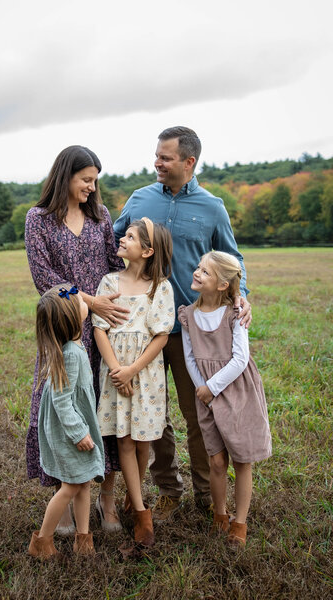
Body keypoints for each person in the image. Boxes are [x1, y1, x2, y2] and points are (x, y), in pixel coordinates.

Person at [113, 126, 252, 521]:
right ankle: (168, 490)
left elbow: (233, 259)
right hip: (142, 331)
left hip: (193, 332)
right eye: (156, 155)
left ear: (189, 162)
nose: (157, 162)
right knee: (151, 415)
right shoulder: (140, 198)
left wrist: (241, 297)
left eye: (166, 157)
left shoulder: (213, 207)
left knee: (198, 416)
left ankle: (207, 495)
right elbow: (114, 244)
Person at [25, 145, 128, 534]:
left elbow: (117, 263)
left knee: (104, 407)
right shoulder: (38, 220)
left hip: (103, 329)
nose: (91, 186)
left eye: (95, 180)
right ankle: (65, 497)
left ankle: (107, 498)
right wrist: (90, 301)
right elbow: (44, 278)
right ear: (65, 176)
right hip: (65, 324)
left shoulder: (100, 216)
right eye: (86, 179)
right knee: (60, 405)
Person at [178, 251, 271, 546]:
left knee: (242, 459)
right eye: (199, 268)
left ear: (221, 285)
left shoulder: (234, 313)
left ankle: (239, 522)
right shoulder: (188, 315)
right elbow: (190, 357)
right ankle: (220, 513)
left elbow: (240, 358)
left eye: (205, 271)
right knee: (216, 460)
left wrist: (213, 386)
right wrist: (202, 389)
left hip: (236, 391)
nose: (197, 272)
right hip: (205, 395)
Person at [93, 219, 175, 546]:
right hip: (115, 372)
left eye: (130, 237)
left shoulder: (160, 287)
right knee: (125, 439)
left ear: (147, 250)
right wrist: (117, 370)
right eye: (124, 234)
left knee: (143, 440)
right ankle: (142, 512)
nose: (122, 239)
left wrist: (133, 371)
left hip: (146, 374)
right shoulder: (109, 282)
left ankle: (133, 493)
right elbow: (100, 328)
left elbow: (161, 336)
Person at [28, 285, 105, 559]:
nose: (84, 299)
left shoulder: (73, 345)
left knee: (83, 482)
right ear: (73, 317)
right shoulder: (71, 353)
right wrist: (79, 432)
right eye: (78, 300)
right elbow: (62, 401)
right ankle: (42, 541)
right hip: (71, 430)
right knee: (70, 487)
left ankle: (83, 540)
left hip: (76, 424)